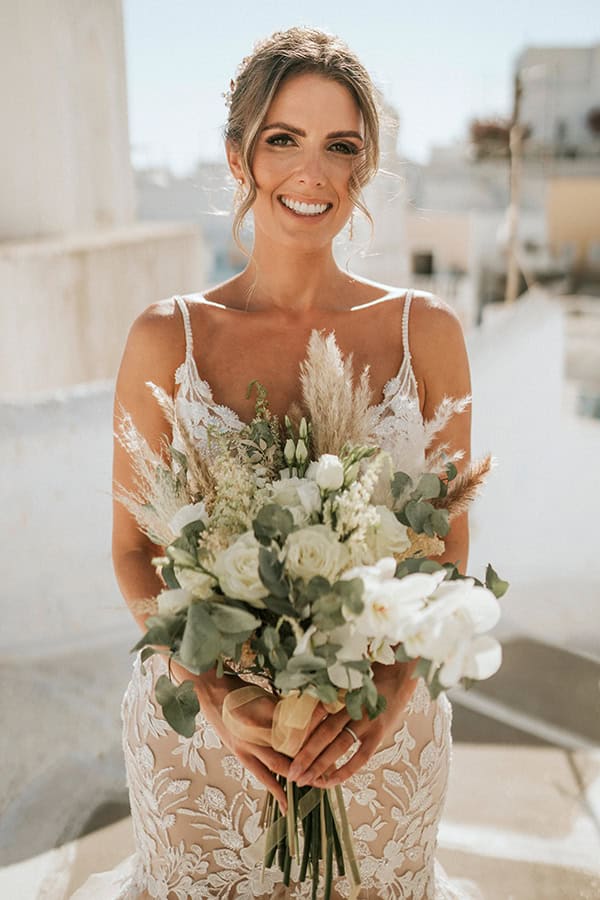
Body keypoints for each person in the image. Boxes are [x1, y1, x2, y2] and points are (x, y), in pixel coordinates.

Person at [73, 25, 481, 900]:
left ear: (364, 169)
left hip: (375, 734)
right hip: (203, 747)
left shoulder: (427, 334)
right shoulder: (165, 337)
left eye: (342, 147)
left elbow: (446, 546)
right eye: (282, 140)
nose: (313, 173)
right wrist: (218, 699)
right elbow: (133, 550)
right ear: (238, 156)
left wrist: (391, 698)